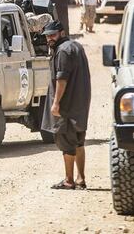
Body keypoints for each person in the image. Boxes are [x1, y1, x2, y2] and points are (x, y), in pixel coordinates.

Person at [41, 21, 91, 190]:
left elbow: (62, 79)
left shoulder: (62, 51)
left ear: (61, 33)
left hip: (66, 106)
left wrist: (56, 104)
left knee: (66, 142)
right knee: (78, 142)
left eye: (53, 35)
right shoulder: (76, 46)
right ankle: (80, 179)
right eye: (47, 36)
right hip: (80, 104)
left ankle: (69, 180)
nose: (49, 39)